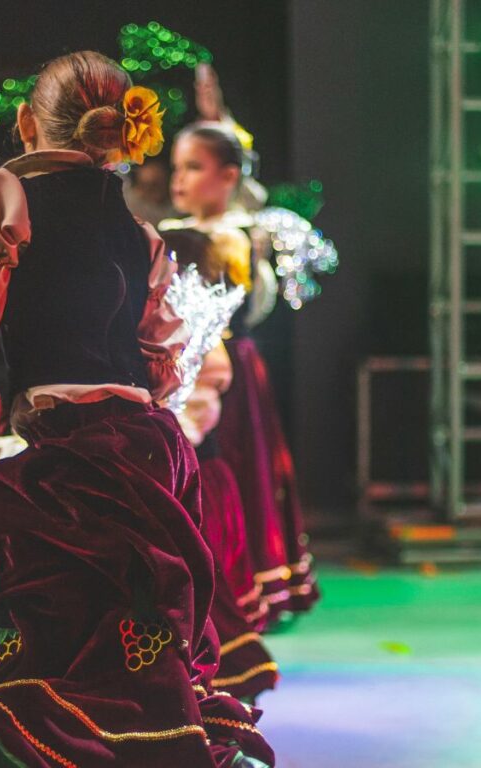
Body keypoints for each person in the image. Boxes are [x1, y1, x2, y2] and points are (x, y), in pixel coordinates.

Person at [0, 51, 274, 768]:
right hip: (149, 452)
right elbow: (163, 359)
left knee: (44, 634)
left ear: (27, 123)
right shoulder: (140, 233)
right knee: (131, 636)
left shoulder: (5, 193)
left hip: (65, 455)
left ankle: (37, 742)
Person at [161, 114, 319, 630]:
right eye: (176, 168)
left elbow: (240, 310)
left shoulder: (236, 237)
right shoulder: (168, 234)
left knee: (233, 471)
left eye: (193, 167)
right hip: (179, 370)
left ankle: (242, 588)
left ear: (229, 176)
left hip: (225, 372)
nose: (179, 180)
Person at [162, 228, 278, 702]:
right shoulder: (180, 333)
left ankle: (216, 686)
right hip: (198, 479)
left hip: (199, 482)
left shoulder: (199, 338)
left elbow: (197, 407)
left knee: (205, 595)